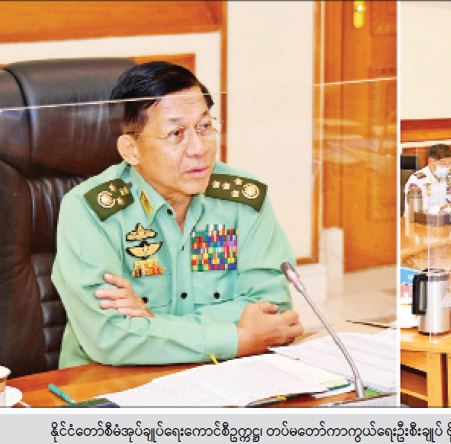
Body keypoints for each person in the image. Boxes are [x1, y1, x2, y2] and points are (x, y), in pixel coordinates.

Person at [51, 62, 302, 368]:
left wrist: (154, 324)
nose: (198, 148)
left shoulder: (242, 199)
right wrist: (235, 338)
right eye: (176, 133)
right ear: (131, 150)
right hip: (111, 380)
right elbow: (110, 337)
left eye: (204, 127)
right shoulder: (89, 211)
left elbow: (273, 311)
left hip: (222, 374)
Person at [404, 144, 451, 214]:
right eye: (444, 164)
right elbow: (415, 210)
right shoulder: (417, 180)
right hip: (423, 220)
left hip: (448, 219)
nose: (447, 168)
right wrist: (440, 209)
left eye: (450, 164)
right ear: (431, 161)